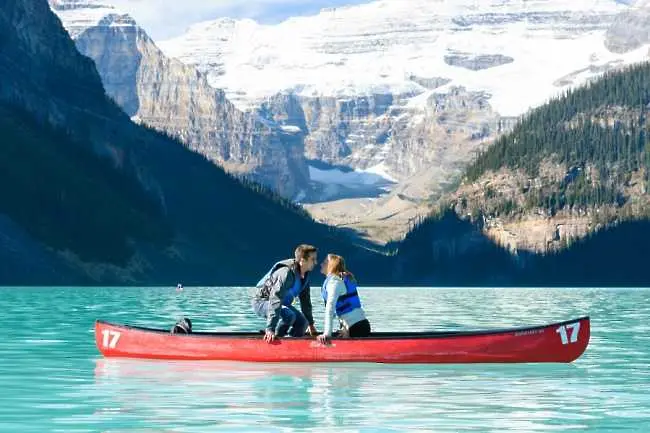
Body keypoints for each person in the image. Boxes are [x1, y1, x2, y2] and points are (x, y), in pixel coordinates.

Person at [252, 244, 319, 343]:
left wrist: (311, 324)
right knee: (289, 315)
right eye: (313, 259)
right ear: (302, 260)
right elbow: (276, 298)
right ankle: (273, 341)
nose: (316, 262)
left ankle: (291, 343)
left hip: (283, 304)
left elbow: (305, 302)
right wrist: (270, 328)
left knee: (303, 323)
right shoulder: (287, 272)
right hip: (263, 302)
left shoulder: (305, 276)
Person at [317, 254, 371, 344]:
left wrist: (327, 334)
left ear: (331, 265)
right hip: (358, 325)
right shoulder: (338, 280)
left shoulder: (334, 282)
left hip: (356, 327)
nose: (321, 264)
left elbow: (330, 308)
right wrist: (344, 328)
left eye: (324, 262)